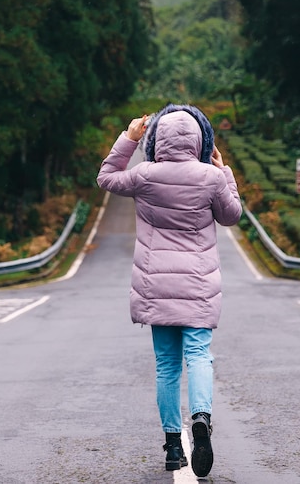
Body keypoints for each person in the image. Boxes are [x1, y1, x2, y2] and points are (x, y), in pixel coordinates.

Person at [97, 103, 242, 477]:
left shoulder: (144, 175)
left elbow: (107, 177)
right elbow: (231, 216)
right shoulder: (210, 178)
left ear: (158, 138)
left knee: (166, 365)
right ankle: (201, 420)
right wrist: (222, 169)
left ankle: (174, 446)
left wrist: (128, 139)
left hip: (155, 284)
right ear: (199, 139)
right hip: (198, 283)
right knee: (199, 356)